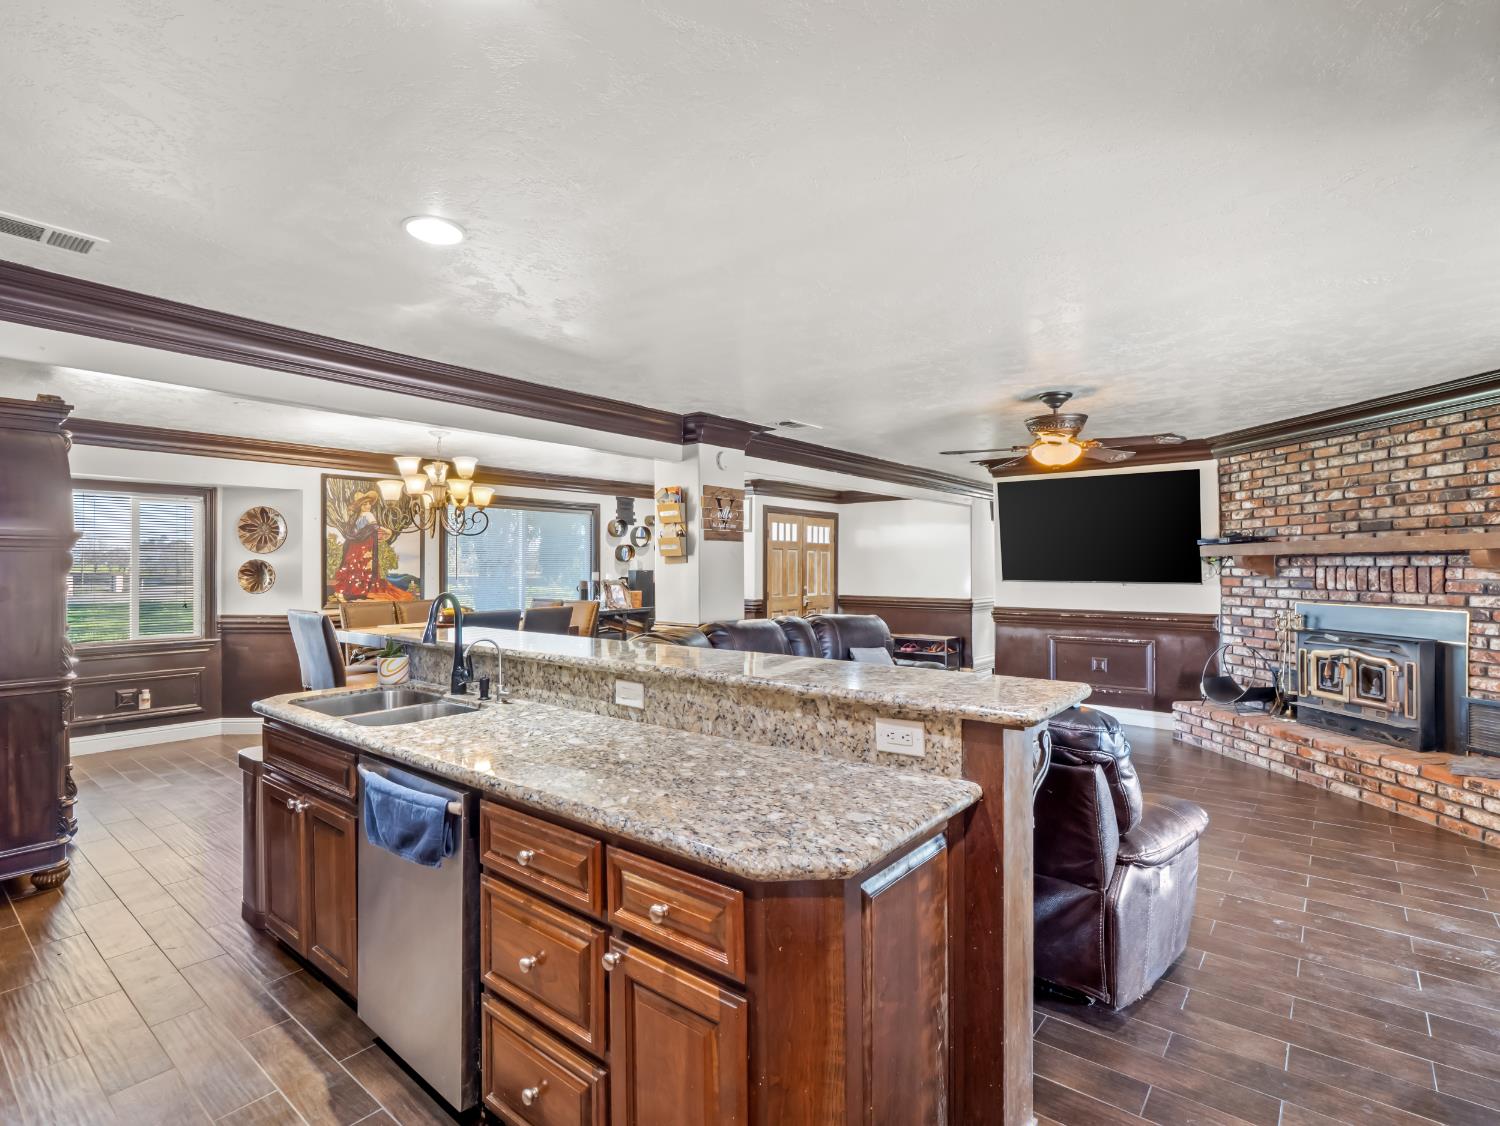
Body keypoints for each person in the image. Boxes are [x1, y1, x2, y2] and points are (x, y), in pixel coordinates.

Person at [332, 490, 415, 602]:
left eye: (369, 503)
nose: (368, 506)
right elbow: (375, 527)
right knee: (364, 569)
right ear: (360, 506)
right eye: (364, 504)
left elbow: (365, 530)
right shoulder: (368, 515)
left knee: (356, 569)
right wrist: (388, 531)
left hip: (355, 549)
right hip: (365, 547)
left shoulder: (356, 518)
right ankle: (361, 592)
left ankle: (351, 592)